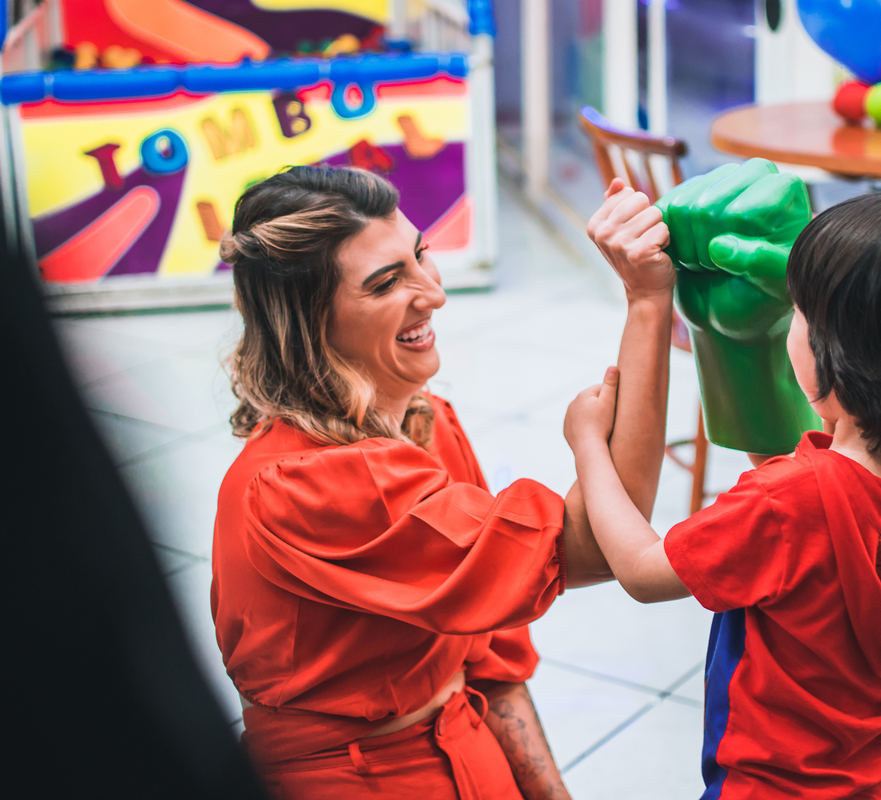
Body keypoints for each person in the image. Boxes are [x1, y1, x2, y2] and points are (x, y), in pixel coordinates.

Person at [564, 179, 881, 798]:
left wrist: (588, 449)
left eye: (800, 313)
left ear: (836, 361)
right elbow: (813, 515)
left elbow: (640, 570)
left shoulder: (789, 504)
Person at [211, 165, 675, 799]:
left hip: (461, 739)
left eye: (420, 255)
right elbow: (604, 547)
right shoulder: (313, 482)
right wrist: (647, 303)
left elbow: (490, 653)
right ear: (308, 320)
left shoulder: (424, 420)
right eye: (385, 283)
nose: (432, 294)